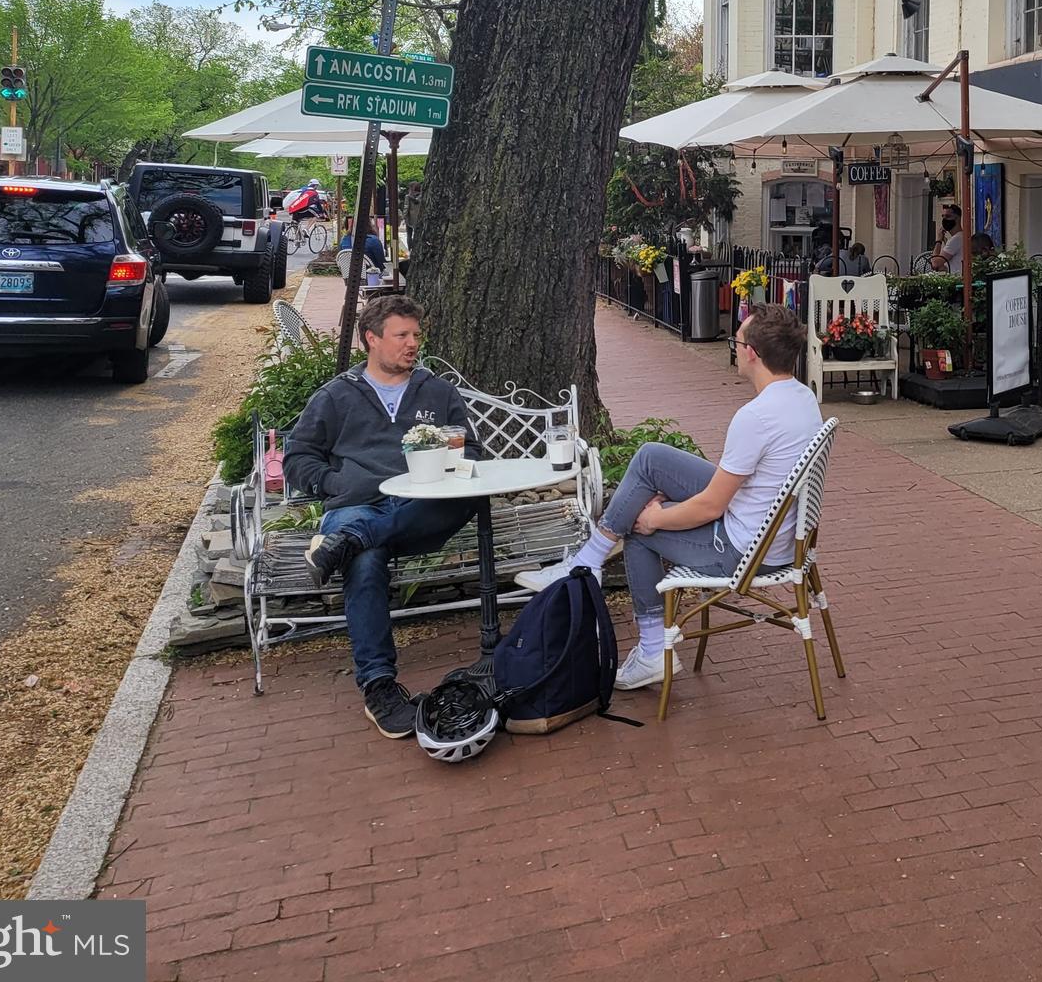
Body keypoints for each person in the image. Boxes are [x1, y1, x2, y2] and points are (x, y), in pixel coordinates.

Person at [515, 303, 825, 688]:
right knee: (650, 458)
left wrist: (657, 519)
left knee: (638, 530)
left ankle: (649, 649)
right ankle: (589, 560)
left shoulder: (756, 417)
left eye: (737, 340)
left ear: (751, 353)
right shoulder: (803, 399)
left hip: (744, 550)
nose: (735, 346)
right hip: (774, 533)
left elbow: (712, 506)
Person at [282, 296, 480, 737]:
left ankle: (352, 539)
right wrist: (339, 485)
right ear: (371, 339)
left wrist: (451, 462)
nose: (413, 344)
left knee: (463, 501)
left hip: (420, 509)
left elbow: (472, 451)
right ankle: (379, 687)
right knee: (365, 561)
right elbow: (297, 459)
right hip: (355, 506)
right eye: (402, 336)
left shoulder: (438, 392)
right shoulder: (336, 396)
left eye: (416, 335)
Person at [930, 204, 964, 272]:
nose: (944, 219)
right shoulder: (959, 237)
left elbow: (935, 263)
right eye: (943, 216)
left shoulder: (956, 239)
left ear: (957, 218)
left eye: (948, 216)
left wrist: (939, 241)